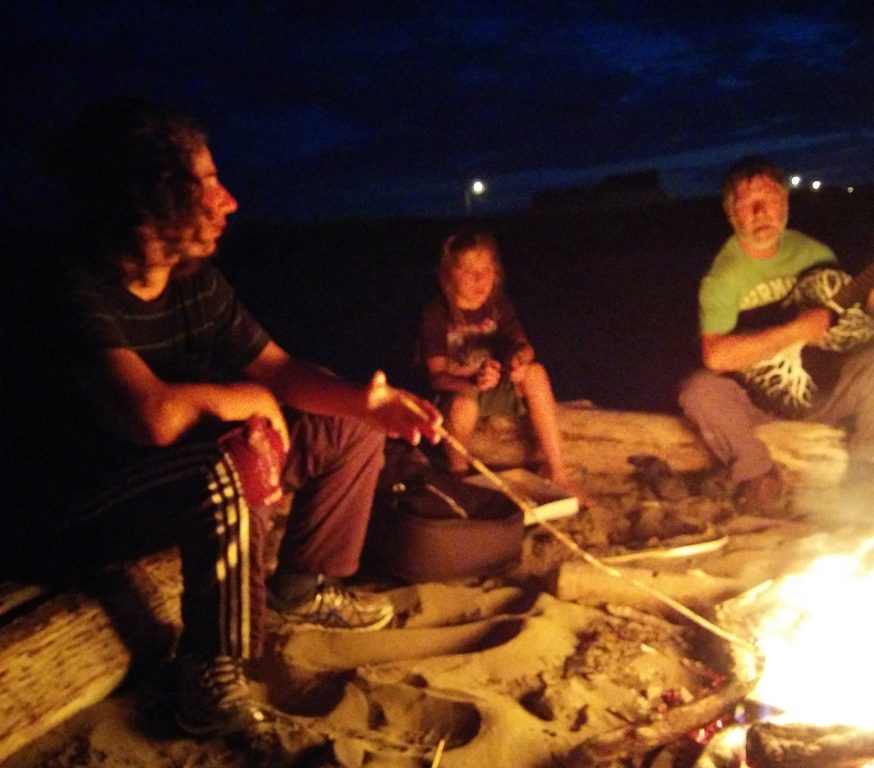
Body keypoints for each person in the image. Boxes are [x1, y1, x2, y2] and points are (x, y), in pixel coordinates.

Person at [8, 100, 442, 740]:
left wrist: (364, 402)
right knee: (223, 463)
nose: (229, 200)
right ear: (149, 194)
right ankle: (211, 668)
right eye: (207, 182)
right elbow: (152, 417)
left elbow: (280, 369)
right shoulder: (74, 287)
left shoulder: (195, 283)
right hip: (81, 508)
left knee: (347, 426)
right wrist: (247, 401)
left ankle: (301, 581)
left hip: (170, 477)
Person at [678, 155, 874, 512]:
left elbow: (865, 303)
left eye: (771, 199)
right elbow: (716, 356)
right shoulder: (721, 279)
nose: (762, 212)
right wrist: (795, 330)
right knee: (699, 392)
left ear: (785, 203)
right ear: (733, 215)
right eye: (749, 204)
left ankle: (865, 470)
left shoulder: (812, 252)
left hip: (827, 396)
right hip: (758, 409)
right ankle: (758, 474)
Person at [419, 229, 576, 493]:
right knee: (462, 408)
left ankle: (557, 471)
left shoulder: (498, 305)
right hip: (458, 390)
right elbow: (437, 377)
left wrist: (518, 360)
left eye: (487, 270)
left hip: (497, 385)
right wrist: (470, 380)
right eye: (469, 271)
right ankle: (460, 475)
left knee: (535, 373)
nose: (480, 279)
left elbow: (524, 347)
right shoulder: (436, 313)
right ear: (447, 275)